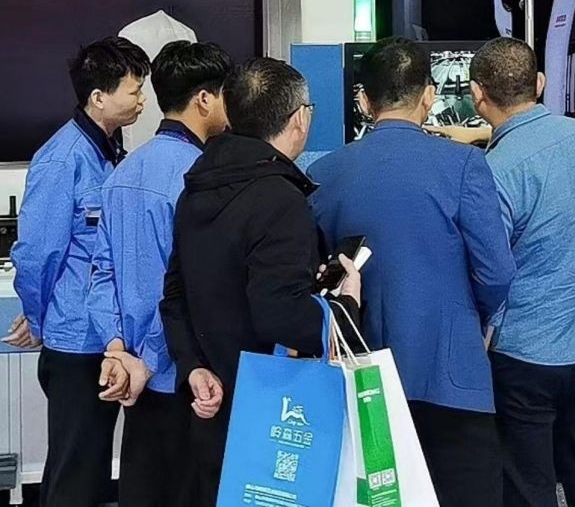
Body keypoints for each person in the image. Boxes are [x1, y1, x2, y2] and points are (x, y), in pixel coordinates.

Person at [308, 37, 516, 507]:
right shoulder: (464, 164)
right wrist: (476, 322)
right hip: (453, 376)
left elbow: (319, 277)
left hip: (360, 375)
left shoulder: (324, 173)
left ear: (364, 101)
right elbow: (497, 272)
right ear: (429, 95)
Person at [159, 57, 362, 507]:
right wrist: (345, 308)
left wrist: (193, 367)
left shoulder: (196, 189)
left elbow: (175, 296)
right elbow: (279, 313)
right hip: (274, 415)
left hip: (213, 407)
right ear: (300, 118)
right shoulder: (279, 198)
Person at [456, 37, 575, 507]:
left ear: (477, 94)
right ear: (541, 83)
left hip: (523, 353)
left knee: (528, 484)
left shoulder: (495, 169)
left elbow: (491, 270)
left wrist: (488, 330)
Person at [87, 41, 232, 506]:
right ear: (204, 99)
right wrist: (149, 360)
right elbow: (190, 286)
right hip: (188, 378)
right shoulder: (202, 176)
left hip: (134, 378)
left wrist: (117, 349)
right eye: (225, 93)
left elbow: (101, 272)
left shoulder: (122, 172)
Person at [8, 37, 149, 506]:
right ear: (98, 97)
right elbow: (36, 255)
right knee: (76, 471)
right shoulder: (63, 158)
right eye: (134, 90)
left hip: (106, 336)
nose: (141, 100)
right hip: (75, 342)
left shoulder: (110, 148)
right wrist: (39, 318)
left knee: (87, 467)